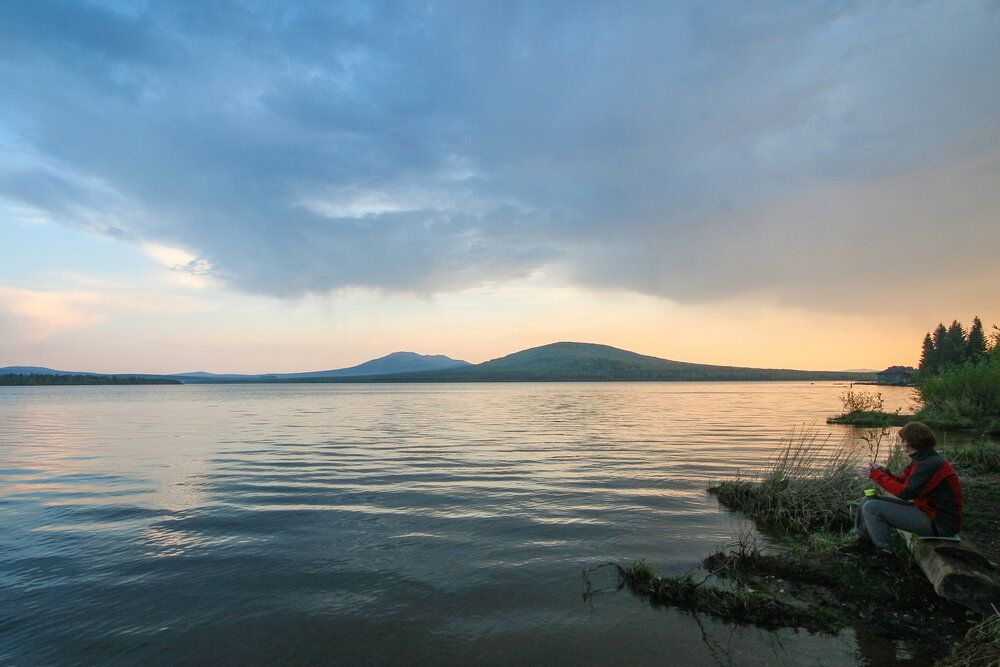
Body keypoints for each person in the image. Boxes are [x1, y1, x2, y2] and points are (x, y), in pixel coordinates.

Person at [839, 421, 964, 563]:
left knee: (872, 507)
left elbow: (905, 493)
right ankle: (865, 544)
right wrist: (884, 473)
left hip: (941, 524)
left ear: (910, 442)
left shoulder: (929, 464)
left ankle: (886, 555)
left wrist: (876, 475)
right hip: (927, 512)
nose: (901, 443)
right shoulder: (924, 460)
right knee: (866, 500)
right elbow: (906, 483)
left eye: (903, 440)